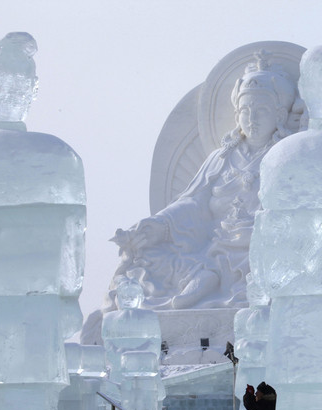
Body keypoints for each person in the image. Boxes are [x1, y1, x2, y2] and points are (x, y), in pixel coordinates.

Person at [110, 55, 297, 311]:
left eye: (261, 111)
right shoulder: (221, 158)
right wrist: (161, 225)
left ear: (278, 114)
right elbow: (193, 203)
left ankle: (214, 284)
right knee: (140, 254)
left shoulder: (287, 159)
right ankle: (197, 279)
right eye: (245, 111)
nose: (251, 119)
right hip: (213, 248)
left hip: (262, 250)